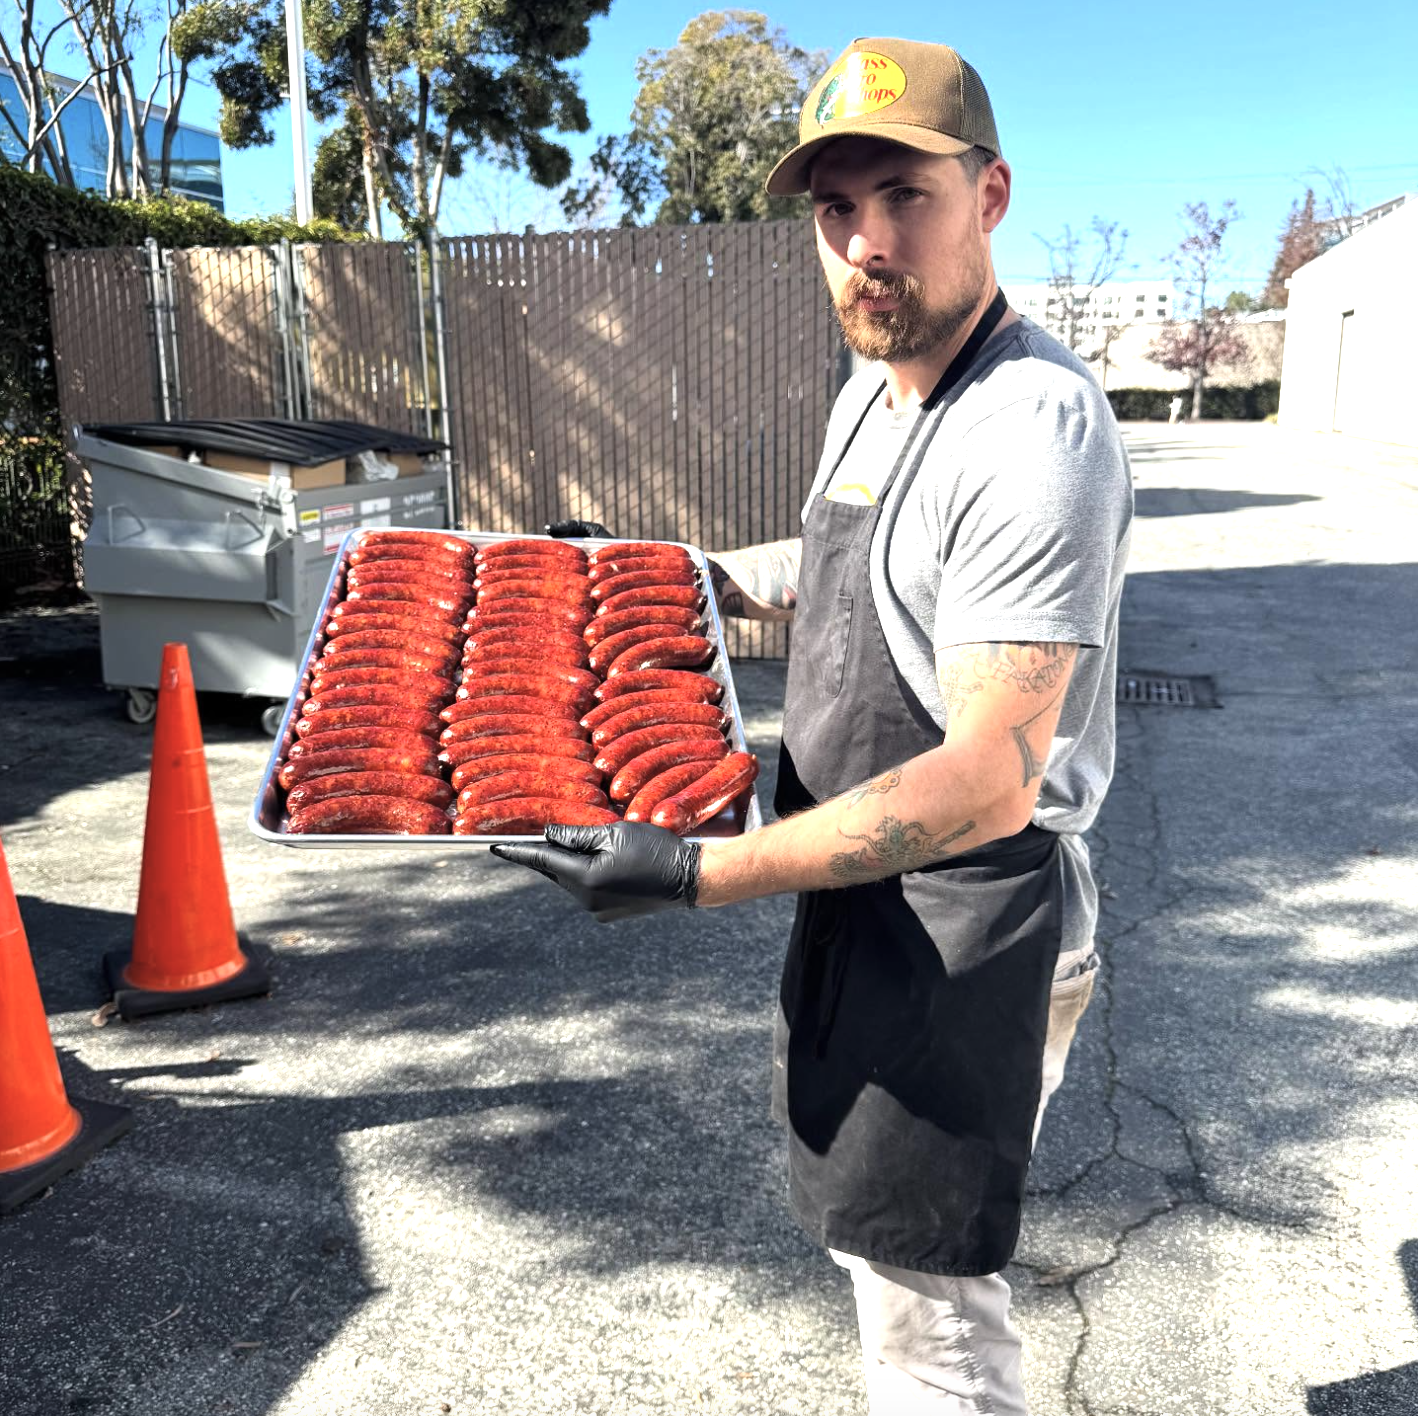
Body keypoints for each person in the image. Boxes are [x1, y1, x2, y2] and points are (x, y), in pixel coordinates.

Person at [497, 35, 1133, 1414]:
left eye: (904, 196)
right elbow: (836, 571)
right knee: (877, 1255)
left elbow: (985, 777)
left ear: (991, 194)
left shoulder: (1030, 425)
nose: (866, 243)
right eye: (835, 210)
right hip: (862, 889)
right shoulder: (875, 385)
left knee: (931, 1310)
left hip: (971, 916)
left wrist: (695, 870)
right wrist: (677, 579)